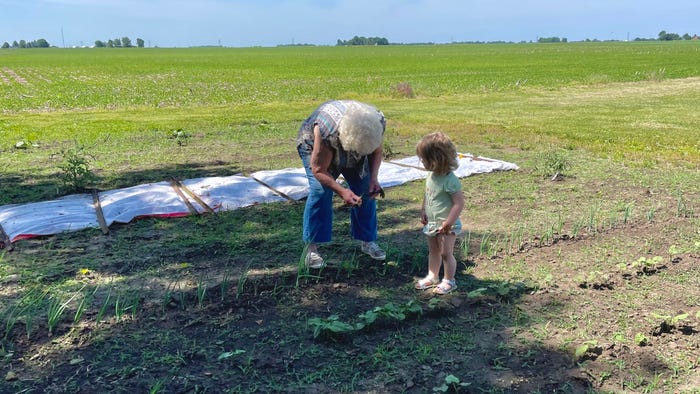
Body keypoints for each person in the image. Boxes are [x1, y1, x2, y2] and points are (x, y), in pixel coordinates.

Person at [296, 100, 387, 269]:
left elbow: (376, 151)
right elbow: (318, 169)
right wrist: (342, 191)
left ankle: (367, 241)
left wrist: (374, 179)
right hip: (317, 148)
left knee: (366, 189)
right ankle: (312, 249)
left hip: (352, 142)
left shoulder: (377, 122)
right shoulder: (326, 130)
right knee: (320, 191)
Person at [414, 132, 465, 295]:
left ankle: (449, 280)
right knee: (434, 251)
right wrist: (423, 209)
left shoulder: (450, 180)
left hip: (446, 225)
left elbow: (459, 203)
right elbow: (428, 193)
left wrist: (449, 222)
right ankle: (432, 275)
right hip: (432, 223)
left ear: (437, 159)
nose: (422, 162)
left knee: (445, 253)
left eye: (424, 159)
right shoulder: (431, 175)